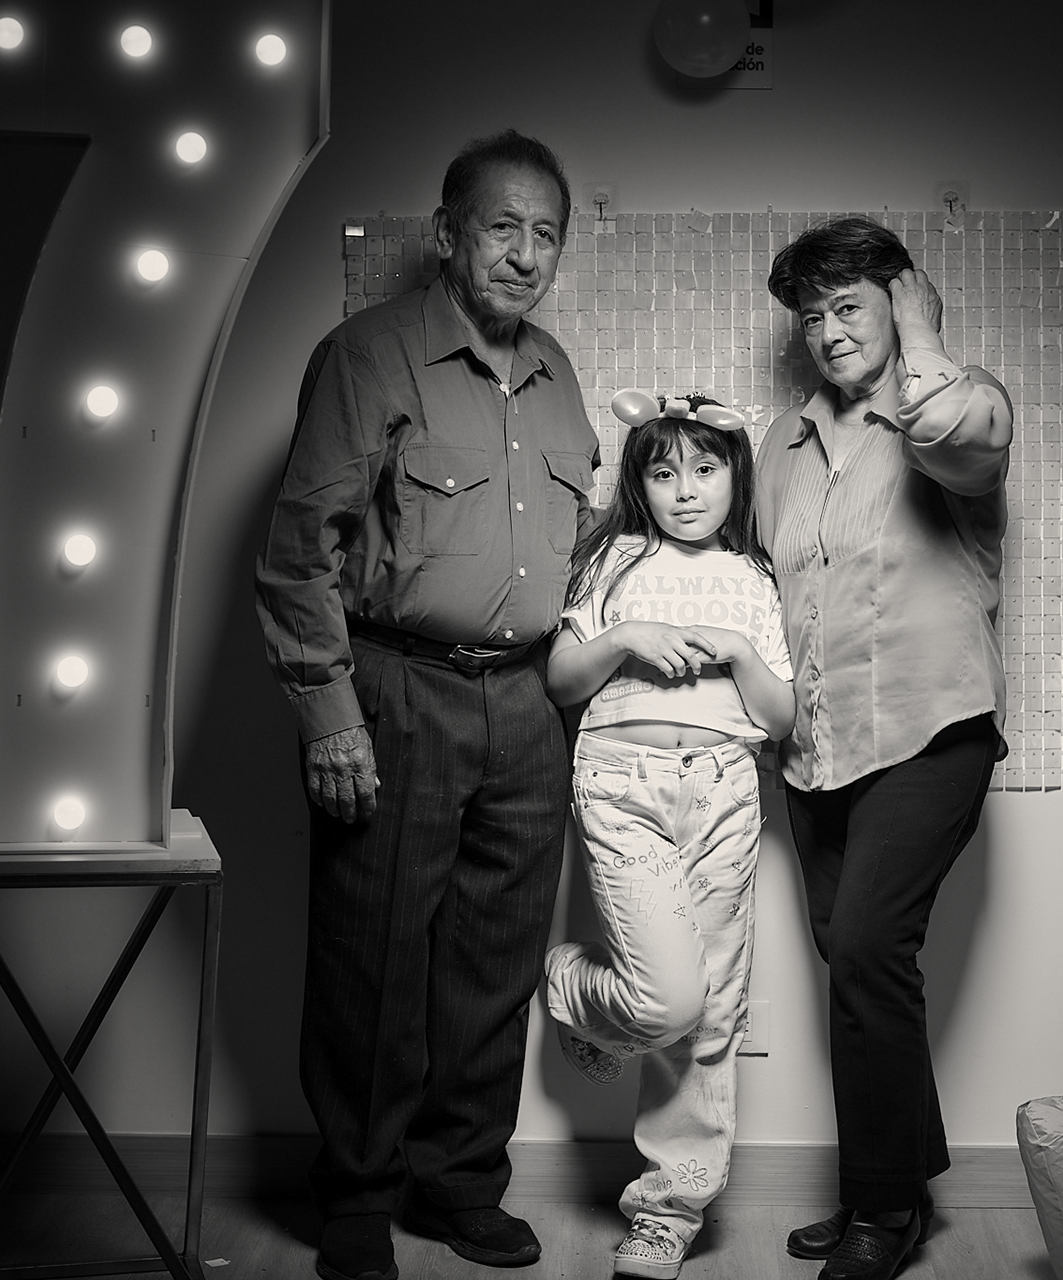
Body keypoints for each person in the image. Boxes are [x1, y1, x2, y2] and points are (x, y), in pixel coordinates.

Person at [254, 129, 599, 1280]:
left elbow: (562, 544)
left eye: (545, 233)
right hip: (399, 690)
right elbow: (299, 549)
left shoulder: (558, 373)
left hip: (528, 703)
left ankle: (460, 1183)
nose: (525, 253)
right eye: (503, 227)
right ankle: (357, 1192)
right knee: (372, 954)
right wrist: (329, 713)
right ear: (448, 235)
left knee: (497, 962)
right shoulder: (369, 354)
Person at [756, 218, 1013, 1280]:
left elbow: (953, 435)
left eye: (849, 305)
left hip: (928, 730)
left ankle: (883, 1209)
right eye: (811, 314)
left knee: (867, 949)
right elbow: (757, 580)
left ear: (899, 301)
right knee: (856, 961)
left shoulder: (964, 401)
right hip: (817, 748)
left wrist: (923, 331)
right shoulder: (782, 443)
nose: (827, 330)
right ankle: (897, 1176)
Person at [543, 391, 794, 1279]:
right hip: (622, 785)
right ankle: (573, 987)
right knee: (667, 1002)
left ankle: (667, 1212)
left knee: (714, 1010)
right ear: (638, 484)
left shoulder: (754, 576)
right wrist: (626, 636)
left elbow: (780, 717)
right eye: (662, 473)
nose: (685, 491)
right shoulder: (611, 559)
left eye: (705, 469)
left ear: (734, 476)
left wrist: (739, 649)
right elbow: (562, 681)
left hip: (725, 790)